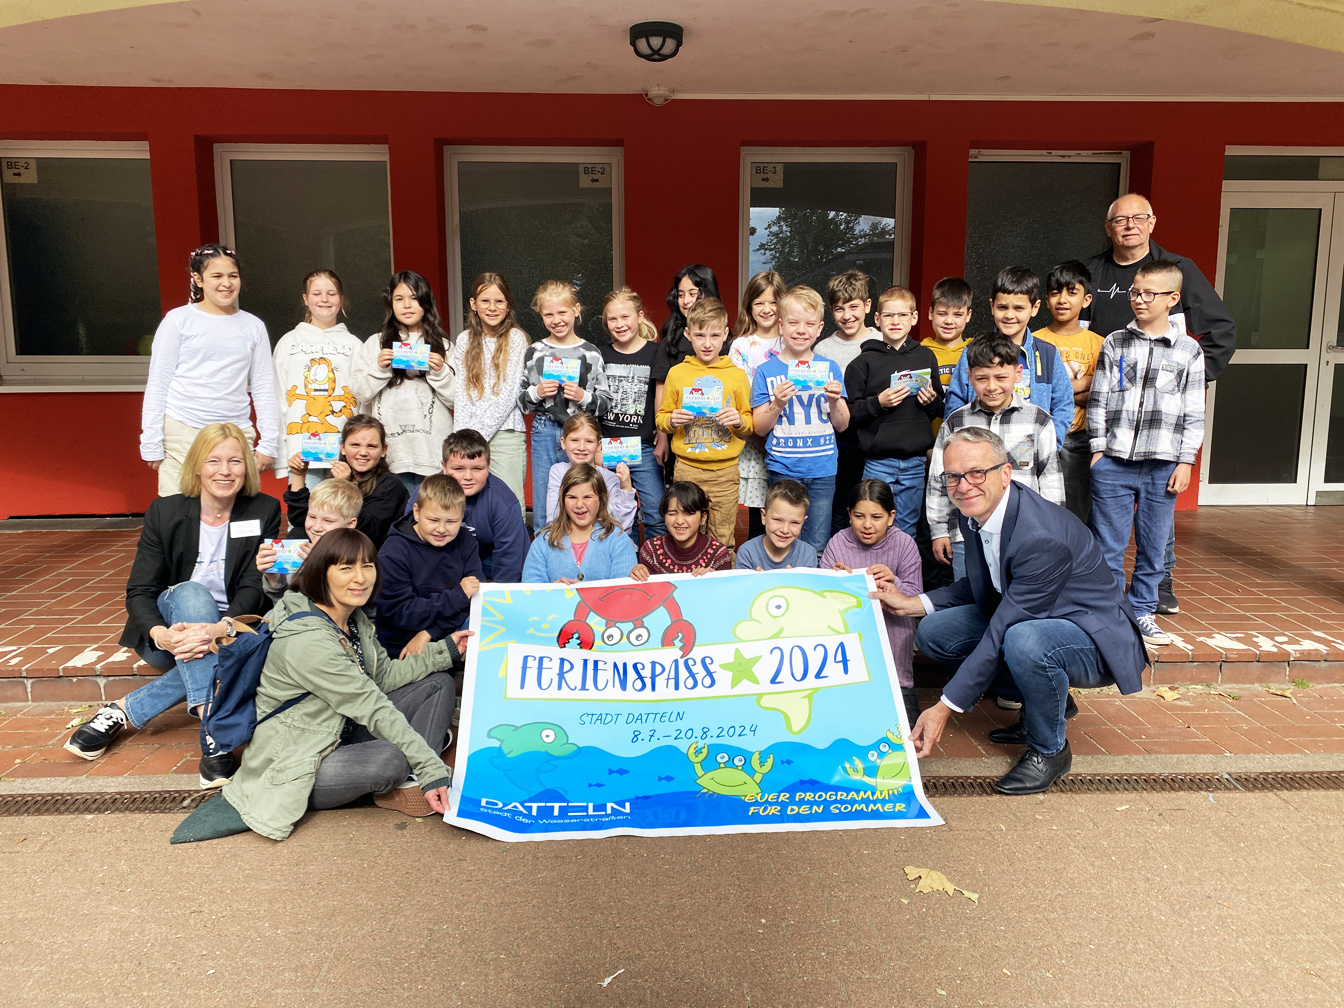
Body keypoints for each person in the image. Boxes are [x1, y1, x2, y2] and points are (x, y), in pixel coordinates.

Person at [872, 428, 1148, 795]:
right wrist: (912, 604)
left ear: (1005, 473)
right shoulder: (978, 512)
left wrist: (943, 708)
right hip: (1039, 619)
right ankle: (1049, 702)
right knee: (935, 632)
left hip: (1093, 637)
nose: (963, 485)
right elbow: (986, 582)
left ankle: (1050, 750)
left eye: (975, 472)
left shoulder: (1039, 537)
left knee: (1023, 640)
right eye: (952, 476)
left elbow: (1006, 626)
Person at [170, 528, 471, 843]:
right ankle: (408, 774)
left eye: (367, 566)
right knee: (389, 759)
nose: (360, 577)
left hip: (338, 729)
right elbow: (372, 704)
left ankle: (410, 779)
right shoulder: (309, 639)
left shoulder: (352, 618)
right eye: (346, 568)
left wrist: (445, 650)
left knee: (437, 683)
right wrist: (430, 765)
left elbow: (382, 678)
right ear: (321, 573)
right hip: (299, 758)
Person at [64, 423, 281, 787]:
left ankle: (121, 711)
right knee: (194, 594)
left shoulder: (263, 509)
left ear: (247, 467)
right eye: (214, 461)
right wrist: (161, 634)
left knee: (262, 635)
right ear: (197, 465)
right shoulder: (165, 512)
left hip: (229, 630)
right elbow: (140, 590)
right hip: (174, 633)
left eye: (235, 461)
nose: (224, 471)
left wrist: (218, 628)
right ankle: (215, 724)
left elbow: (252, 585)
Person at [1081, 193, 1237, 615]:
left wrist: (1184, 380)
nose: (1129, 225)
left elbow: (1222, 330)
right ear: (1108, 227)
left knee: (1156, 519)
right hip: (1109, 419)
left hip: (1161, 432)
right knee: (1105, 522)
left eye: (1138, 218)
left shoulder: (1178, 271)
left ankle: (1157, 585)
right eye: (1119, 219)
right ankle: (1106, 598)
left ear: (1152, 222)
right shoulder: (1092, 273)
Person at [1088, 260, 1205, 648]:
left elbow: (1194, 410)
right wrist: (1098, 450)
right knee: (1108, 546)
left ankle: (1142, 610)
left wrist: (1186, 460)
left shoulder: (1189, 351)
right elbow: (1100, 399)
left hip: (1163, 465)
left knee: (1154, 545)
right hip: (1115, 462)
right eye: (1135, 292)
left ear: (1172, 299)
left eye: (1149, 294)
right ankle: (1110, 614)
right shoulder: (1115, 342)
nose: (1139, 299)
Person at [140, 245, 280, 496]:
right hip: (181, 431)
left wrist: (268, 443)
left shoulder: (253, 326)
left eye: (233, 275)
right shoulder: (177, 320)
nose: (226, 283)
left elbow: (263, 387)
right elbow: (158, 383)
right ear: (198, 279)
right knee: (178, 517)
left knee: (233, 516)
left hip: (234, 433)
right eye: (217, 276)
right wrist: (150, 441)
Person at [927, 335, 1064, 581]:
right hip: (967, 535)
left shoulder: (1038, 420)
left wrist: (1051, 530)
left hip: (1025, 533)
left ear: (1018, 373)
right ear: (969, 377)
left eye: (1001, 377)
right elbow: (939, 480)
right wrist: (939, 530)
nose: (992, 387)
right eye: (981, 378)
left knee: (1020, 597)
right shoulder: (956, 422)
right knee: (970, 600)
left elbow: (1051, 480)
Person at [751, 285, 850, 554]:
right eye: (793, 323)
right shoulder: (766, 371)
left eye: (809, 324)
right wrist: (777, 403)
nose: (800, 330)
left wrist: (834, 400)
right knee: (779, 540)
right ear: (781, 326)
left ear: (819, 329)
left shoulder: (829, 368)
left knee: (816, 544)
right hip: (783, 467)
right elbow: (759, 428)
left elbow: (842, 424)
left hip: (822, 469)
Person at [655, 297, 754, 551]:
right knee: (685, 537)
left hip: (725, 472)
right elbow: (662, 419)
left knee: (723, 540)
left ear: (725, 334)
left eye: (714, 335)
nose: (707, 343)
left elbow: (750, 424)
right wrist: (671, 420)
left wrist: (740, 421)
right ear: (688, 334)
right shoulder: (677, 373)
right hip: (687, 469)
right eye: (699, 335)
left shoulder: (736, 375)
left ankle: (720, 585)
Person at [844, 285, 943, 536]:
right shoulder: (862, 363)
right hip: (878, 461)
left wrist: (930, 400)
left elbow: (939, 408)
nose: (895, 321)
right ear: (877, 319)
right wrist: (879, 403)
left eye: (902, 315)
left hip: (915, 460)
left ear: (914, 318)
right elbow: (850, 415)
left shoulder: (926, 357)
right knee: (872, 525)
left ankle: (899, 576)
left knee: (906, 528)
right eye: (888, 315)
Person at [821, 480, 922, 724]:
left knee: (903, 728)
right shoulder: (837, 543)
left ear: (891, 516)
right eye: (859, 516)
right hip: (849, 643)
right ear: (848, 515)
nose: (867, 525)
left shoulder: (904, 544)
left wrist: (893, 581)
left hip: (894, 643)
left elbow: (917, 596)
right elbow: (820, 598)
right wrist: (836, 581)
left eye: (876, 516)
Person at [348, 270, 455, 494]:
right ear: (391, 304)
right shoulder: (374, 343)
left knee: (427, 517)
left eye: (414, 298)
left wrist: (440, 372)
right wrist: (379, 368)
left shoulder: (443, 346)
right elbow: (359, 393)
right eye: (399, 299)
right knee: (393, 519)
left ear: (425, 302)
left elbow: (457, 400)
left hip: (430, 454)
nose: (407, 305)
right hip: (390, 456)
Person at [945, 267, 1073, 447]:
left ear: (1034, 308)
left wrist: (1049, 445)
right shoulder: (972, 351)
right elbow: (955, 401)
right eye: (1002, 307)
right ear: (992, 306)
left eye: (1019, 308)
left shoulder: (1047, 354)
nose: (1009, 315)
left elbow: (1063, 405)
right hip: (980, 451)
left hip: (1031, 454)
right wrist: (962, 445)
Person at [518, 280, 610, 528]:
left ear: (576, 310)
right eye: (548, 314)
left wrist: (583, 397)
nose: (556, 319)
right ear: (541, 316)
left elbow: (605, 402)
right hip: (545, 429)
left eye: (562, 312)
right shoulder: (535, 351)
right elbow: (522, 403)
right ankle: (544, 547)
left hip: (580, 431)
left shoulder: (591, 353)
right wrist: (537, 392)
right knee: (544, 496)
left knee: (583, 492)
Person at [271, 269, 362, 488]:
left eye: (331, 293)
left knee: (340, 515)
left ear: (341, 299)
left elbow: (362, 400)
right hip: (301, 454)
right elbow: (278, 399)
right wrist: (283, 456)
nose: (324, 299)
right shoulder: (288, 343)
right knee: (303, 517)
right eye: (317, 293)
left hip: (342, 455)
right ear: (305, 299)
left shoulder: (355, 345)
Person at [377, 473, 482, 658]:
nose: (441, 529)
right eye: (433, 520)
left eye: (451, 521)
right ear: (416, 512)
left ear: (462, 516)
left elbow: (475, 599)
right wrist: (458, 595)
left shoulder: (465, 540)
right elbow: (400, 613)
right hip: (404, 641)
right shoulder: (393, 552)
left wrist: (429, 633)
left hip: (447, 627)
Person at [449, 272, 529, 503]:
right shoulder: (464, 339)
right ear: (473, 304)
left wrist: (476, 436)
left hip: (506, 433)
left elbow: (510, 394)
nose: (492, 307)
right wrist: (460, 439)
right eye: (485, 301)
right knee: (469, 501)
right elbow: (463, 395)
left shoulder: (516, 338)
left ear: (508, 306)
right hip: (470, 435)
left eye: (499, 301)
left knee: (509, 502)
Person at [1035, 261, 1103, 523]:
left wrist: (1057, 390)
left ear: (1086, 299)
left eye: (1071, 292)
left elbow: (1101, 397)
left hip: (1080, 439)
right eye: (1055, 293)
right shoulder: (1035, 340)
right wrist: (1084, 383)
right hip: (1041, 435)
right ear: (1045, 300)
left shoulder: (1099, 344)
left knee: (1076, 509)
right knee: (1041, 507)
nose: (1062, 300)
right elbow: (1035, 392)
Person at [598, 287, 669, 540]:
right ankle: (628, 565)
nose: (620, 324)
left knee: (656, 514)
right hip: (608, 447)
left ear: (639, 316)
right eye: (612, 319)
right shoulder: (600, 355)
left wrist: (663, 438)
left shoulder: (657, 352)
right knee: (616, 516)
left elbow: (663, 397)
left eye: (625, 317)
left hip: (644, 447)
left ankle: (652, 566)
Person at [414, 429, 529, 583]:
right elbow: (408, 539)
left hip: (488, 560)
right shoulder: (428, 492)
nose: (468, 477)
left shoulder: (503, 502)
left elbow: (510, 560)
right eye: (458, 469)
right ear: (444, 466)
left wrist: (496, 598)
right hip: (441, 556)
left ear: (488, 466)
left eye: (477, 469)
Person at [285, 414, 408, 549]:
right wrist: (298, 475)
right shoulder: (335, 475)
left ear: (383, 450)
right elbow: (300, 520)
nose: (363, 452)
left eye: (371, 446)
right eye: (355, 445)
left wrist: (345, 487)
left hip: (368, 552)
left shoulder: (390, 484)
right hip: (336, 546)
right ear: (342, 448)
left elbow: (369, 531)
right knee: (297, 534)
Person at [728, 270, 787, 543]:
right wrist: (756, 434)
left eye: (773, 302)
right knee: (758, 511)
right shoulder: (741, 345)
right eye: (759, 302)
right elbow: (738, 394)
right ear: (749, 306)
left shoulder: (791, 340)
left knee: (786, 505)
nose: (766, 309)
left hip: (788, 437)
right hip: (753, 438)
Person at [817, 270, 876, 536]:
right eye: (839, 308)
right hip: (838, 440)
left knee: (870, 505)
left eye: (854, 306)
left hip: (874, 438)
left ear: (867, 305)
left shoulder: (882, 341)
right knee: (839, 506)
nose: (847, 315)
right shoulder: (822, 349)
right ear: (831, 310)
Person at [522, 464, 638, 583]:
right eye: (572, 497)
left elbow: (624, 594)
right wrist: (552, 592)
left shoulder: (618, 540)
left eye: (587, 497)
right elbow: (530, 593)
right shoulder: (543, 542)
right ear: (562, 500)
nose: (579, 505)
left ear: (601, 499)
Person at [256, 476, 361, 602]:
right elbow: (284, 602)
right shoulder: (300, 552)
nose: (316, 527)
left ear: (350, 524)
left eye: (328, 521)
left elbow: (348, 607)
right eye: (311, 517)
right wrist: (273, 576)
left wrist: (318, 568)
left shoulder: (358, 560)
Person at [546, 412, 638, 532]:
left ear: (599, 445)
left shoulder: (610, 478)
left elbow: (621, 527)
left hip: (603, 541)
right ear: (563, 443)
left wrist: (625, 488)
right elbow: (554, 520)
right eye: (574, 440)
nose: (581, 447)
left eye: (589, 441)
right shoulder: (558, 471)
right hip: (568, 541)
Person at [630, 482, 733, 578]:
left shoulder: (718, 554)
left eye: (688, 513)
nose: (679, 521)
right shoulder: (651, 551)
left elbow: (725, 593)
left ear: (703, 518)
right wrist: (639, 573)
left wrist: (713, 580)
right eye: (672, 513)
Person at [651, 263, 721, 384]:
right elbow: (661, 399)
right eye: (681, 295)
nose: (685, 301)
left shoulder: (725, 343)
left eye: (692, 294)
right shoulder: (669, 344)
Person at [734, 479, 818, 571]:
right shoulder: (747, 552)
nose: (785, 530)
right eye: (778, 520)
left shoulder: (808, 554)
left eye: (794, 522)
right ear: (764, 516)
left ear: (803, 521)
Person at [925, 277, 975, 401]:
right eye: (942, 313)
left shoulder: (976, 352)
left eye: (957, 314)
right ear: (931, 313)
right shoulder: (919, 352)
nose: (949, 321)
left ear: (968, 315)